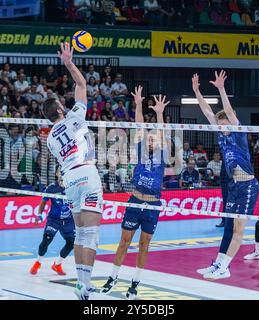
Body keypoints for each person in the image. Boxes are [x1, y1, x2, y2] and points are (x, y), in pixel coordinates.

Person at [42, 42, 103, 300]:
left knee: (80, 233)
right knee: (91, 234)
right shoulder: (74, 117)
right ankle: (85, 287)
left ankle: (81, 283)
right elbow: (81, 86)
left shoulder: (49, 139)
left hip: (69, 180)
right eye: (60, 104)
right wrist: (68, 63)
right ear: (59, 110)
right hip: (87, 174)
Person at [101, 87, 169, 299]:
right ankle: (113, 277)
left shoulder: (163, 154)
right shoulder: (140, 151)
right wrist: (138, 103)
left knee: (144, 244)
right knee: (124, 241)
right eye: (148, 139)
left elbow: (162, 133)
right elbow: (139, 126)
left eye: (152, 139)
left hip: (153, 205)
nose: (150, 141)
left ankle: (135, 282)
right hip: (136, 201)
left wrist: (159, 113)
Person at [193, 70, 259, 280]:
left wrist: (221, 89)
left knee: (239, 228)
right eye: (220, 125)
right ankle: (218, 264)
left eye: (225, 124)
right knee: (229, 227)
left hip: (248, 186)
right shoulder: (221, 137)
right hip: (233, 187)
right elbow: (207, 112)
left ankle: (225, 267)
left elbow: (229, 112)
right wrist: (197, 91)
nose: (222, 127)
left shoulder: (239, 134)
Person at [30, 168, 75, 276]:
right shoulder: (51, 188)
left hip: (68, 220)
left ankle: (57, 264)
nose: (63, 173)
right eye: (60, 171)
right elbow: (43, 202)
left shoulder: (73, 186)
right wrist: (39, 215)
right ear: (56, 174)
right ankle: (38, 262)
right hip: (54, 220)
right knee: (46, 240)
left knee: (71, 243)